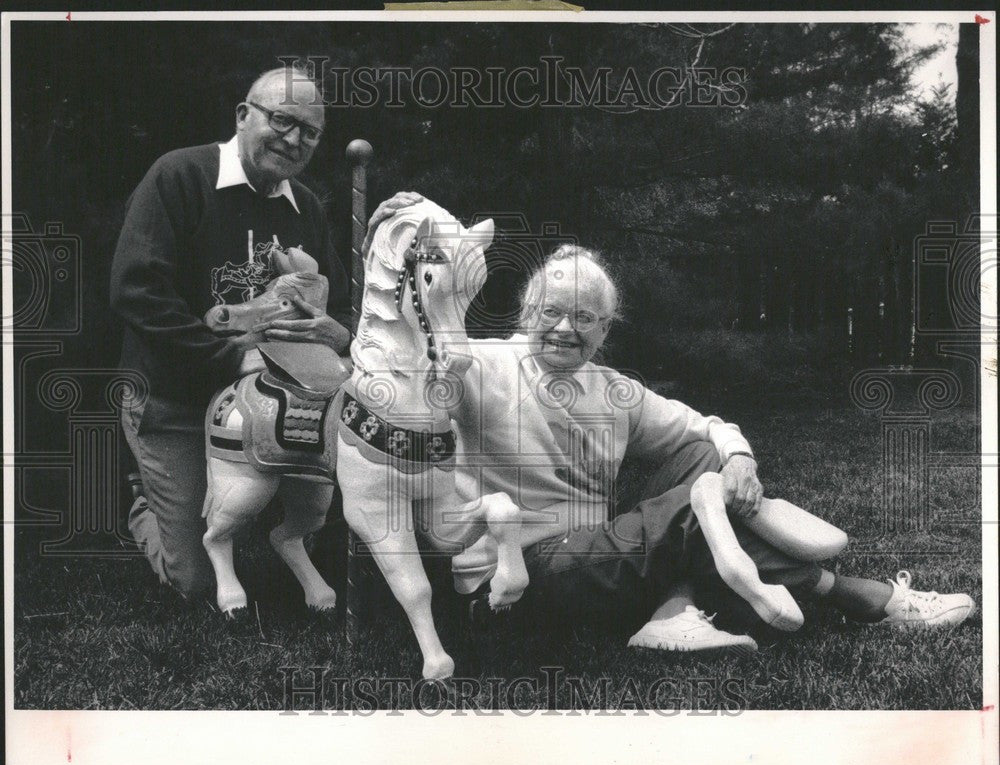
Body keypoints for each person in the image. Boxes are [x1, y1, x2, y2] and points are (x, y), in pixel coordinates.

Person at [446, 244, 975, 652]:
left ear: (605, 328)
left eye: (584, 318)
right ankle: (853, 593)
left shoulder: (613, 388)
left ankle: (670, 615)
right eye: (551, 312)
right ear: (525, 310)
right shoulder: (480, 364)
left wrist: (739, 457)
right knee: (699, 499)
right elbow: (406, 372)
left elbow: (707, 428)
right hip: (520, 579)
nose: (565, 329)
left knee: (704, 461)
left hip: (599, 555)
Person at [111, 67, 353, 598]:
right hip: (172, 397)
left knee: (324, 519)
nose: (294, 140)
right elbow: (136, 290)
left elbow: (337, 306)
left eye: (309, 132)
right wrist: (227, 358)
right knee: (194, 581)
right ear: (244, 116)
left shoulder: (306, 207)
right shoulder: (178, 176)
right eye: (282, 120)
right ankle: (146, 496)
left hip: (272, 408)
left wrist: (341, 334)